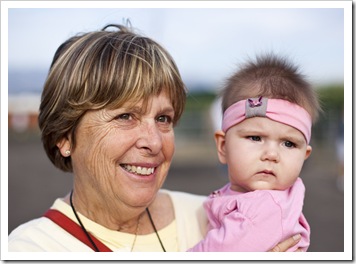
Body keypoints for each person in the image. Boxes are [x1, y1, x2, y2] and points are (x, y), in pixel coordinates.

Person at [8, 24, 301, 252]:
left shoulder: (216, 217)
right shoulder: (32, 248)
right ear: (64, 135)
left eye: (163, 119)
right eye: (125, 116)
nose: (155, 142)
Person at [188, 54, 321, 252]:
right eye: (256, 138)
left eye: (288, 143)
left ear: (304, 155)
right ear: (223, 146)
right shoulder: (250, 197)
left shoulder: (264, 209)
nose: (271, 154)